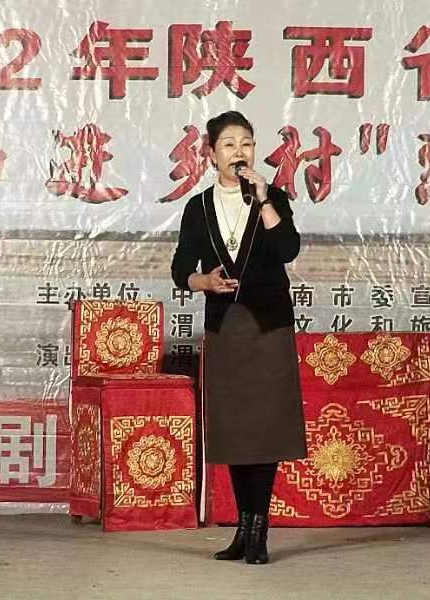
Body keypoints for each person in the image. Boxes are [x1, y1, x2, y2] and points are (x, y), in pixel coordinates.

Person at [170, 111, 307, 564]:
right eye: (229, 144)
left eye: (246, 143)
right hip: (225, 327)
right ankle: (243, 530)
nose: (239, 152)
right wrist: (203, 283)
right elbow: (180, 270)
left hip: (268, 326)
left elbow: (287, 249)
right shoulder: (198, 207)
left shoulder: (274, 198)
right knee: (235, 429)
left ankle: (259, 531)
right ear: (212, 155)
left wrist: (264, 199)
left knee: (264, 427)